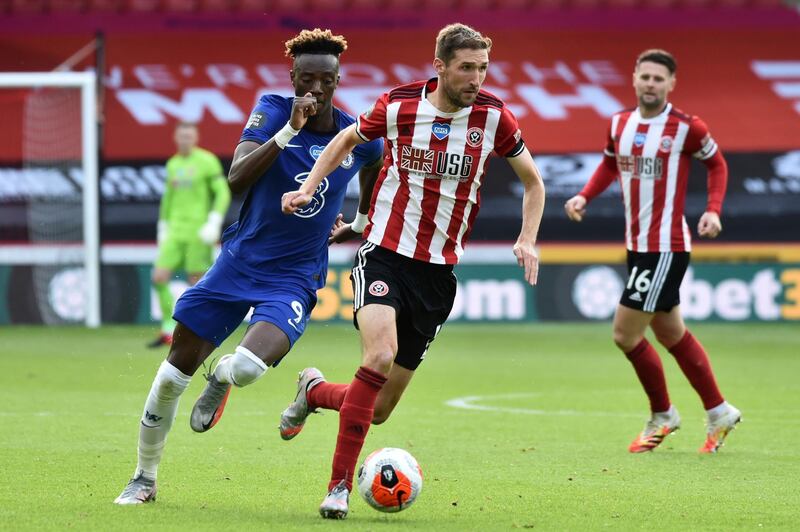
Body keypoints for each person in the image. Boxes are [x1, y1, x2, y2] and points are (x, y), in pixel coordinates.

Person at [281, 23, 546, 519]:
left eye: (483, 67)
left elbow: (534, 182)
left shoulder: (494, 117)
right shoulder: (400, 106)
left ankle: (313, 391)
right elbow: (344, 141)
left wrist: (527, 237)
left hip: (439, 274)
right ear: (440, 66)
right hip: (384, 252)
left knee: (377, 410)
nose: (476, 77)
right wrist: (308, 189)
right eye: (467, 67)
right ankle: (337, 487)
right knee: (379, 356)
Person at [113, 28, 384, 505]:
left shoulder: (355, 136)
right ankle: (144, 478)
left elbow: (374, 165)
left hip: (294, 278)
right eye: (307, 80)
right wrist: (289, 133)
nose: (315, 92)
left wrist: (359, 220)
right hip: (239, 264)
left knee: (247, 368)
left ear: (339, 80)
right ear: (292, 77)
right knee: (171, 377)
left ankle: (219, 379)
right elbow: (237, 176)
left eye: (326, 81)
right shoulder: (275, 111)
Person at [564, 49, 741, 454]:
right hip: (638, 246)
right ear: (634, 78)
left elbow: (718, 164)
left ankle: (663, 414)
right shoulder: (619, 123)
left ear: (671, 84)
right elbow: (611, 164)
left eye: (658, 79)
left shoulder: (686, 127)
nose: (650, 84)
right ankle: (719, 411)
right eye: (645, 76)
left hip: (665, 247)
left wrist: (713, 211)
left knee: (624, 333)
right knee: (669, 332)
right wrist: (584, 196)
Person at [148, 122, 231, 348]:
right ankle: (167, 327)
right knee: (158, 277)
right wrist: (163, 225)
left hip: (198, 231)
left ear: (195, 138)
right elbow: (169, 197)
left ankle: (198, 330)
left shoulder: (206, 161)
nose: (185, 140)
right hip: (174, 231)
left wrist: (214, 221)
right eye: (181, 136)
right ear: (176, 138)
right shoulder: (173, 164)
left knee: (197, 281)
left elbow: (222, 192)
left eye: (189, 136)